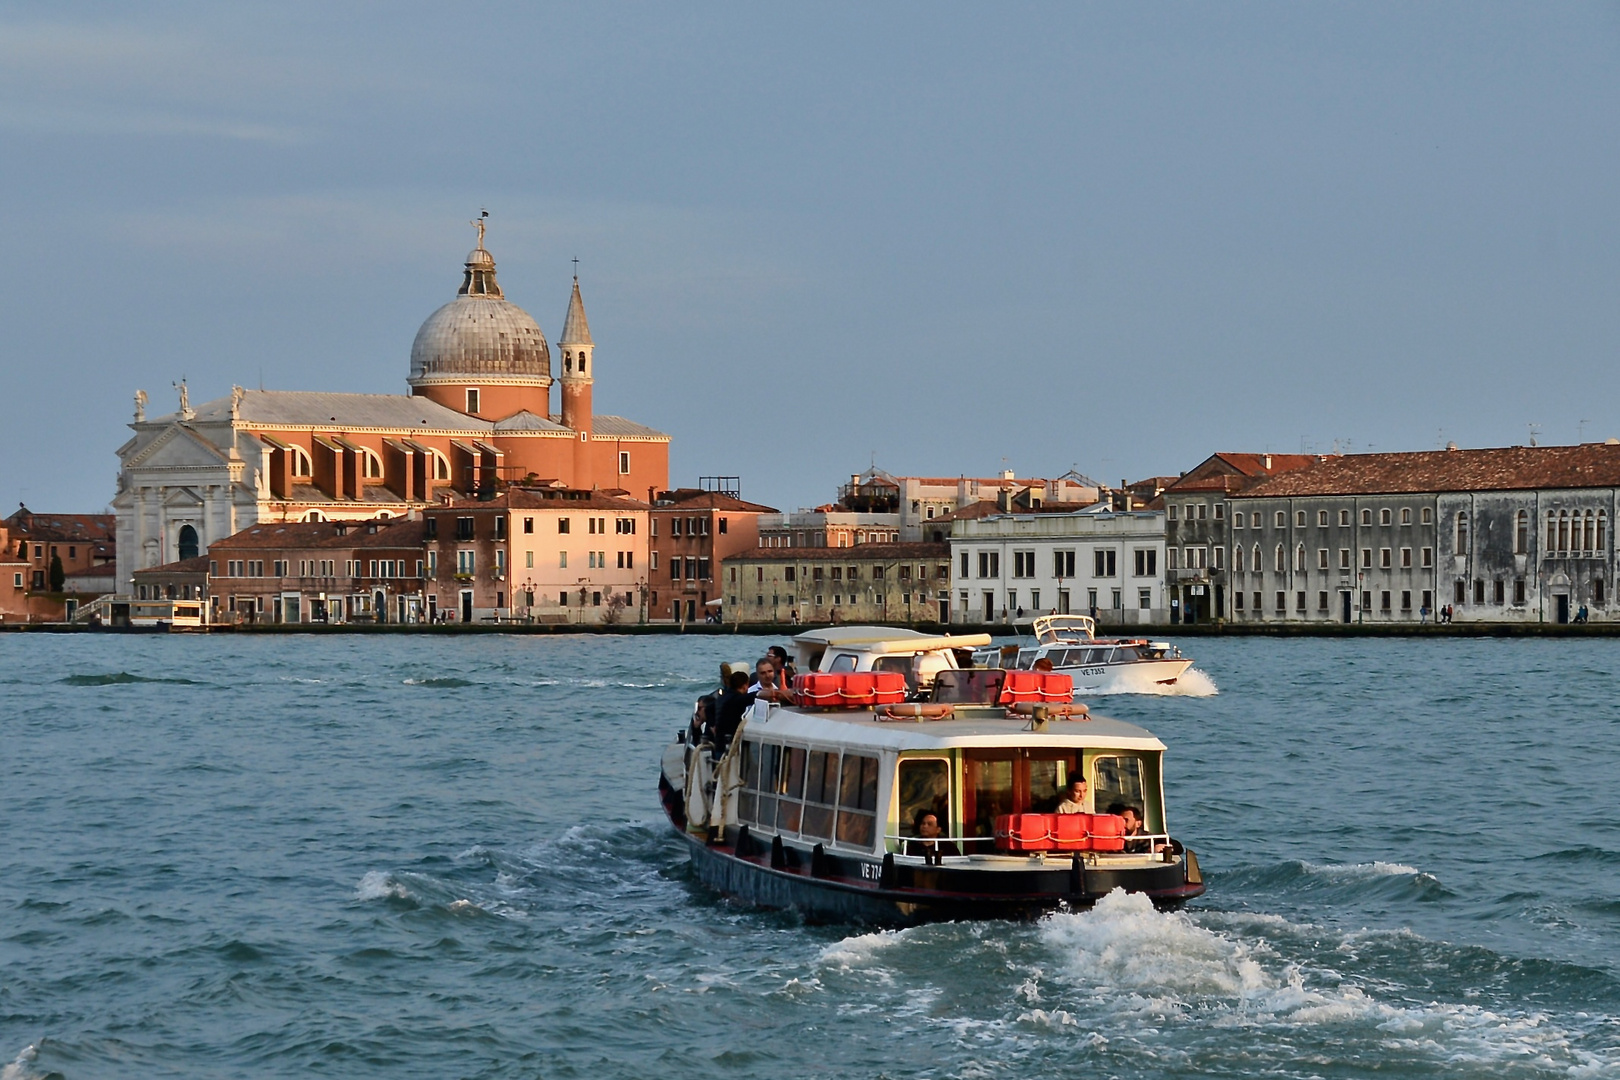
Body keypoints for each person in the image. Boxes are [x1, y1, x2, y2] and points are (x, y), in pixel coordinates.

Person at [709, 670, 754, 759]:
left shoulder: (722, 698)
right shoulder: (738, 699)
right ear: (745, 685)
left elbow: (708, 709)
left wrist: (712, 725)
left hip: (719, 742)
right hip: (730, 744)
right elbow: (755, 696)